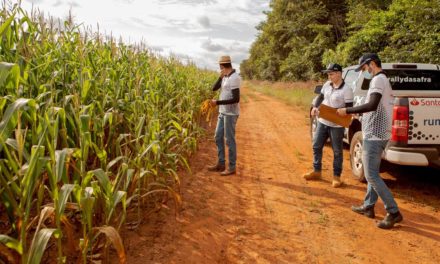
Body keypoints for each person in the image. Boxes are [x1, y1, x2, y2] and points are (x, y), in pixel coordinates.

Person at [337, 53, 403, 229]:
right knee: (372, 172)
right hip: (377, 132)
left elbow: (372, 104)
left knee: (371, 175)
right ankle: (368, 207)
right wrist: (359, 113)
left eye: (364, 68)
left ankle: (394, 211)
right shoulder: (381, 80)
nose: (364, 72)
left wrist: (349, 110)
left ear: (372, 64)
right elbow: (374, 108)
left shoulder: (378, 80)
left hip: (375, 135)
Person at [303, 63, 353, 188]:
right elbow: (320, 97)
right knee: (316, 145)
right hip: (323, 121)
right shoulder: (326, 84)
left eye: (331, 74)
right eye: (328, 74)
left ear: (339, 74)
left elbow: (349, 108)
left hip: (337, 125)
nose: (329, 76)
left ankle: (336, 177)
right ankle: (317, 171)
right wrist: (315, 107)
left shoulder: (347, 90)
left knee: (337, 151)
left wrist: (342, 111)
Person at [207, 55, 240, 176]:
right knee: (217, 136)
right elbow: (213, 88)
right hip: (222, 112)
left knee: (229, 140)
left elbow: (236, 99)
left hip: (231, 113)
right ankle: (221, 163)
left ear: (221, 65)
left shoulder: (234, 78)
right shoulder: (225, 76)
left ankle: (232, 167)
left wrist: (217, 102)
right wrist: (220, 77)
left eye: (219, 65)